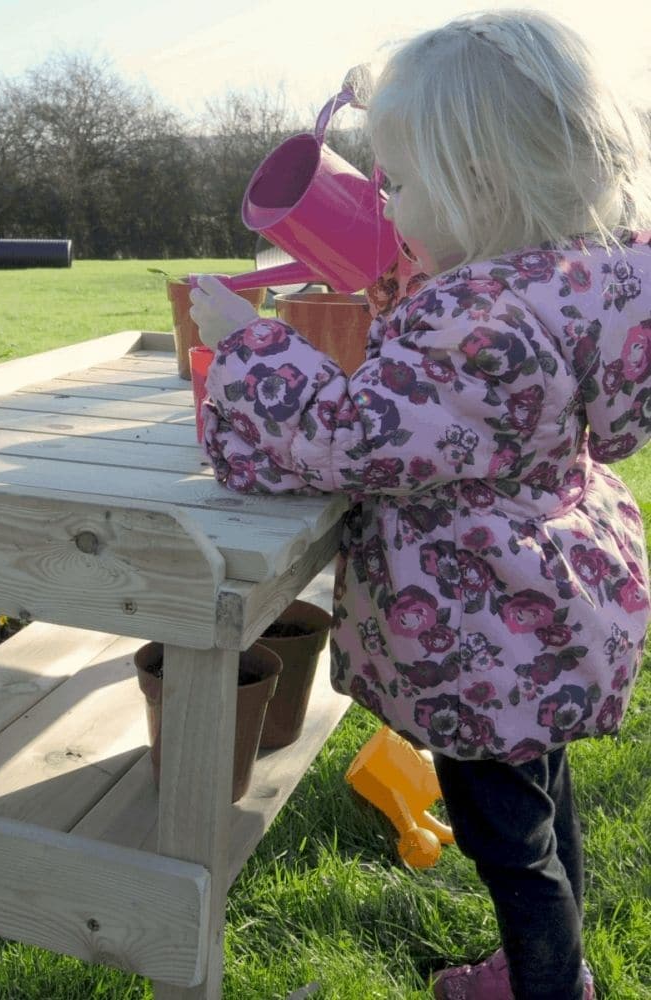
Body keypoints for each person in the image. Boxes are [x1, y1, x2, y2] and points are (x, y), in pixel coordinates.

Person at [189, 10, 651, 1000]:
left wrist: (244, 342)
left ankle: (547, 985)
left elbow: (350, 435)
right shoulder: (577, 280)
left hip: (484, 622)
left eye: (397, 183)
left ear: (481, 186)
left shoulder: (476, 323)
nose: (386, 207)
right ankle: (554, 968)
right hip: (548, 599)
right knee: (538, 797)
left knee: (506, 843)